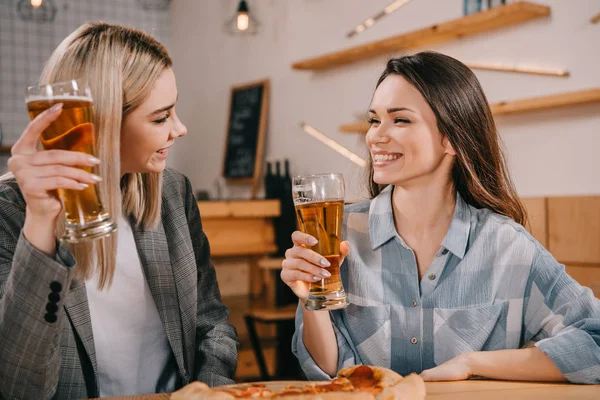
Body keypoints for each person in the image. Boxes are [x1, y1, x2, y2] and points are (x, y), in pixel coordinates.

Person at [282, 52, 600, 385]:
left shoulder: (507, 246)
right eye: (374, 120)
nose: (375, 135)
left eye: (400, 120)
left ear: (451, 138)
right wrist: (311, 300)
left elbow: (595, 340)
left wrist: (471, 363)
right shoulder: (340, 234)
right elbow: (328, 374)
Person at [0, 23, 238, 400]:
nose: (180, 128)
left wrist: (207, 392)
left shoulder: (174, 192)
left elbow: (212, 326)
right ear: (104, 124)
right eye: (161, 117)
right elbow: (18, 386)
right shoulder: (11, 212)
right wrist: (42, 221)